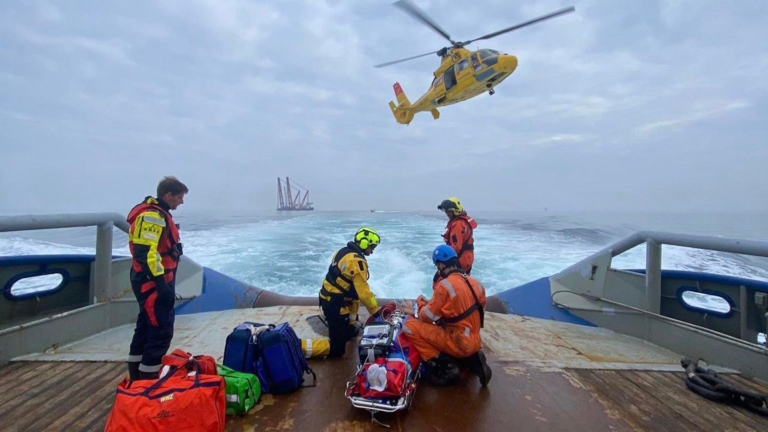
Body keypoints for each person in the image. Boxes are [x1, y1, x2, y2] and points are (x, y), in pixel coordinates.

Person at [401, 244, 492, 387]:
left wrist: (419, 304)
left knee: (408, 327)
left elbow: (426, 317)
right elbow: (478, 312)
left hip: (458, 342)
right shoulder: (477, 284)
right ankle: (473, 359)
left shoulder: (444, 286)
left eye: (438, 266)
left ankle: (446, 365)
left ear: (442, 264)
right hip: (475, 341)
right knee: (453, 332)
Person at [126, 176, 188, 380]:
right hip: (152, 282)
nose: (182, 201)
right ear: (168, 195)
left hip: (148, 279)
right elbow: (145, 252)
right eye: (179, 197)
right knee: (160, 330)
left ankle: (137, 378)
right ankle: (148, 383)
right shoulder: (152, 216)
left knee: (145, 326)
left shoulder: (157, 213)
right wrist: (161, 285)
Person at [304, 227, 382, 359]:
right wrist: (376, 312)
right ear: (364, 243)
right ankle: (299, 346)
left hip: (328, 299)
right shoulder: (357, 262)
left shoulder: (343, 252)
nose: (372, 251)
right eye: (371, 246)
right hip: (334, 306)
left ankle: (349, 326)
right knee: (337, 350)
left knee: (354, 296)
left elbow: (348, 286)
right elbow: (364, 293)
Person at [437, 197, 478, 275]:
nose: (447, 214)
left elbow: (456, 246)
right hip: (466, 257)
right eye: (446, 212)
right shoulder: (462, 221)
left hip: (461, 258)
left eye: (449, 212)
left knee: (450, 277)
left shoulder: (458, 224)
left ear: (455, 211)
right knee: (464, 278)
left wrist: (445, 260)